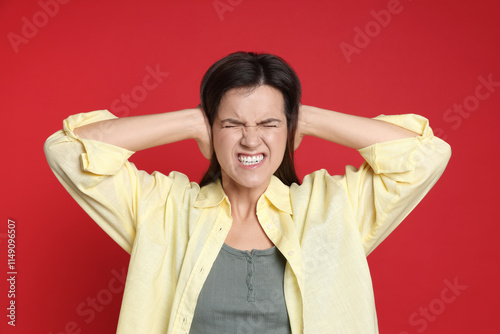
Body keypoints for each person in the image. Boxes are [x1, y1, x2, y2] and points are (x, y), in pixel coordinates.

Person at [44, 51, 451, 334]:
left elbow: (426, 154)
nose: (251, 141)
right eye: (232, 124)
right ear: (211, 130)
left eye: (269, 124)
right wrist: (189, 121)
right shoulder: (164, 210)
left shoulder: (332, 210)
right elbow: (66, 151)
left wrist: (304, 118)